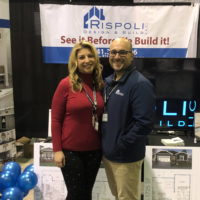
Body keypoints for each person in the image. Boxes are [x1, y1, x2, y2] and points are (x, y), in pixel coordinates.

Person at [102, 38, 155, 200]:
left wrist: (121, 145)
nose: (117, 56)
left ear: (132, 55)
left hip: (125, 157)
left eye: (122, 52)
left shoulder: (140, 84)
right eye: (113, 52)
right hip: (109, 155)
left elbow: (144, 123)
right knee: (118, 196)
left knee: (127, 198)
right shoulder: (109, 82)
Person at [51, 41, 104, 200]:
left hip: (94, 151)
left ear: (95, 59)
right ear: (75, 61)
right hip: (70, 151)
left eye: (90, 56)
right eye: (81, 57)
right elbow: (55, 119)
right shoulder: (66, 84)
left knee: (86, 194)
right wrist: (57, 150)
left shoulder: (99, 85)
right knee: (76, 195)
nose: (86, 60)